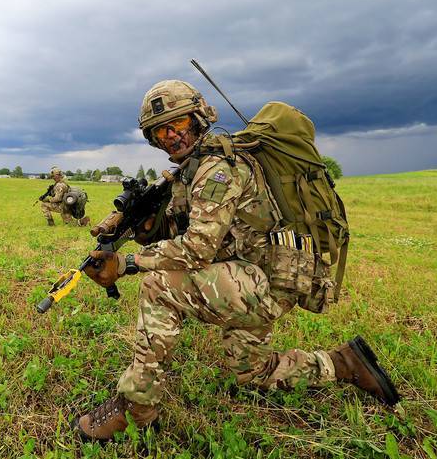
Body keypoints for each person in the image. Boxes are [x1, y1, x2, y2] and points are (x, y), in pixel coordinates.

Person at [75, 80, 400, 441]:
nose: (170, 136)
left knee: (158, 286)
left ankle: (136, 409)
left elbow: (197, 248)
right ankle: (344, 364)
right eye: (160, 130)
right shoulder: (195, 168)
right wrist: (150, 229)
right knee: (253, 372)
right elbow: (193, 232)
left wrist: (128, 263)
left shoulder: (217, 169)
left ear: (198, 119)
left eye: (178, 124)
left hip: (258, 282)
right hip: (260, 277)